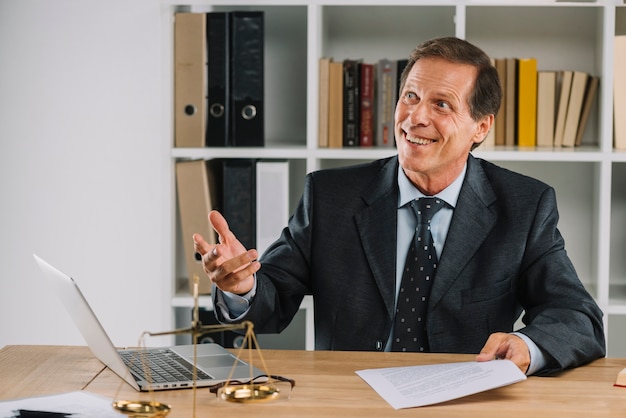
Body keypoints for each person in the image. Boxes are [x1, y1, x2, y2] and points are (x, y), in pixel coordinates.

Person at [193, 36, 605, 375]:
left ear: (481, 127)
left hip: (462, 402)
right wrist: (242, 287)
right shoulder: (330, 195)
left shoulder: (525, 205)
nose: (414, 118)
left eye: (441, 104)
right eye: (410, 96)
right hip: (349, 397)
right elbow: (272, 300)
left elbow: (578, 317)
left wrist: (526, 346)